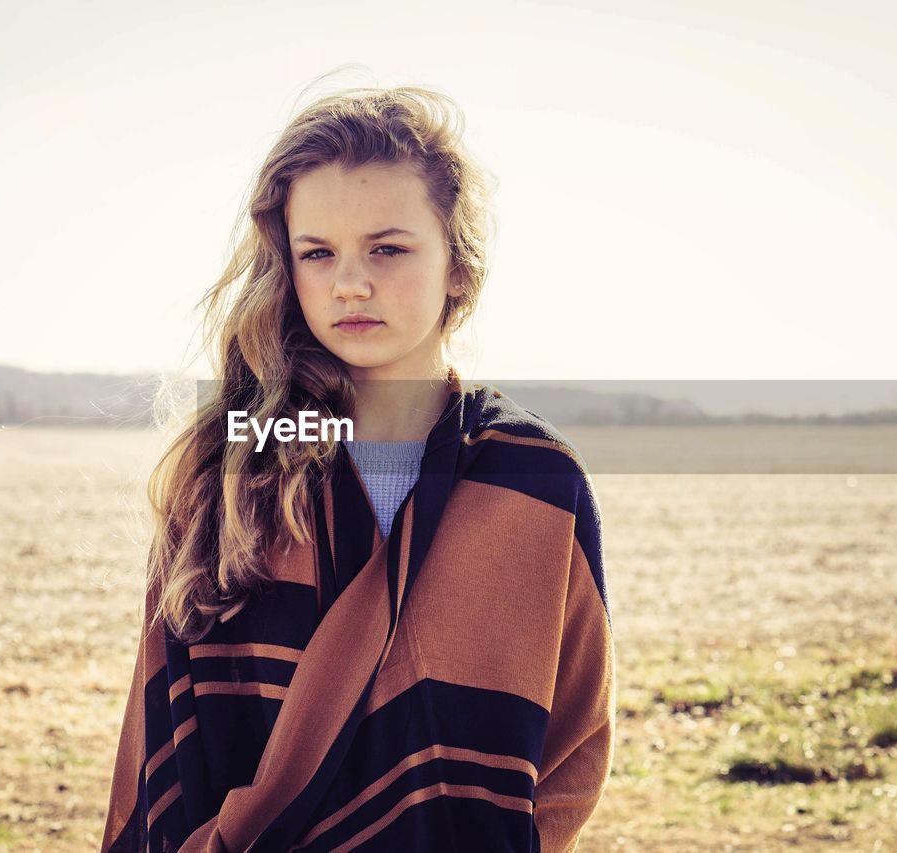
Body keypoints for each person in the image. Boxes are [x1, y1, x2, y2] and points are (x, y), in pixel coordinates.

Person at [102, 82, 615, 852]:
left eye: (387, 248)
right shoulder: (232, 474)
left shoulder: (534, 480)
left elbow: (573, 744)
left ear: (458, 267)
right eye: (318, 253)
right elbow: (168, 733)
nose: (350, 282)